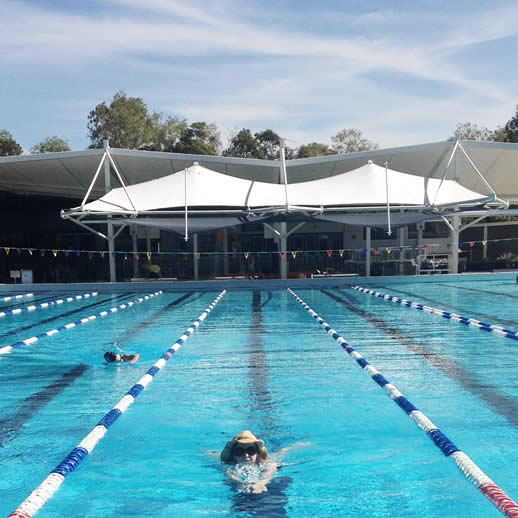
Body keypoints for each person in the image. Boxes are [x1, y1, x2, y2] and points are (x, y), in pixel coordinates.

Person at [220, 430, 309, 494]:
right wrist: (241, 483)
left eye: (251, 450)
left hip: (275, 456)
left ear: (257, 453)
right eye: (239, 451)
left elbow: (270, 469)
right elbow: (228, 473)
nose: (246, 455)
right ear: (233, 455)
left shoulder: (266, 463)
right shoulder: (230, 464)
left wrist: (261, 482)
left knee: (281, 452)